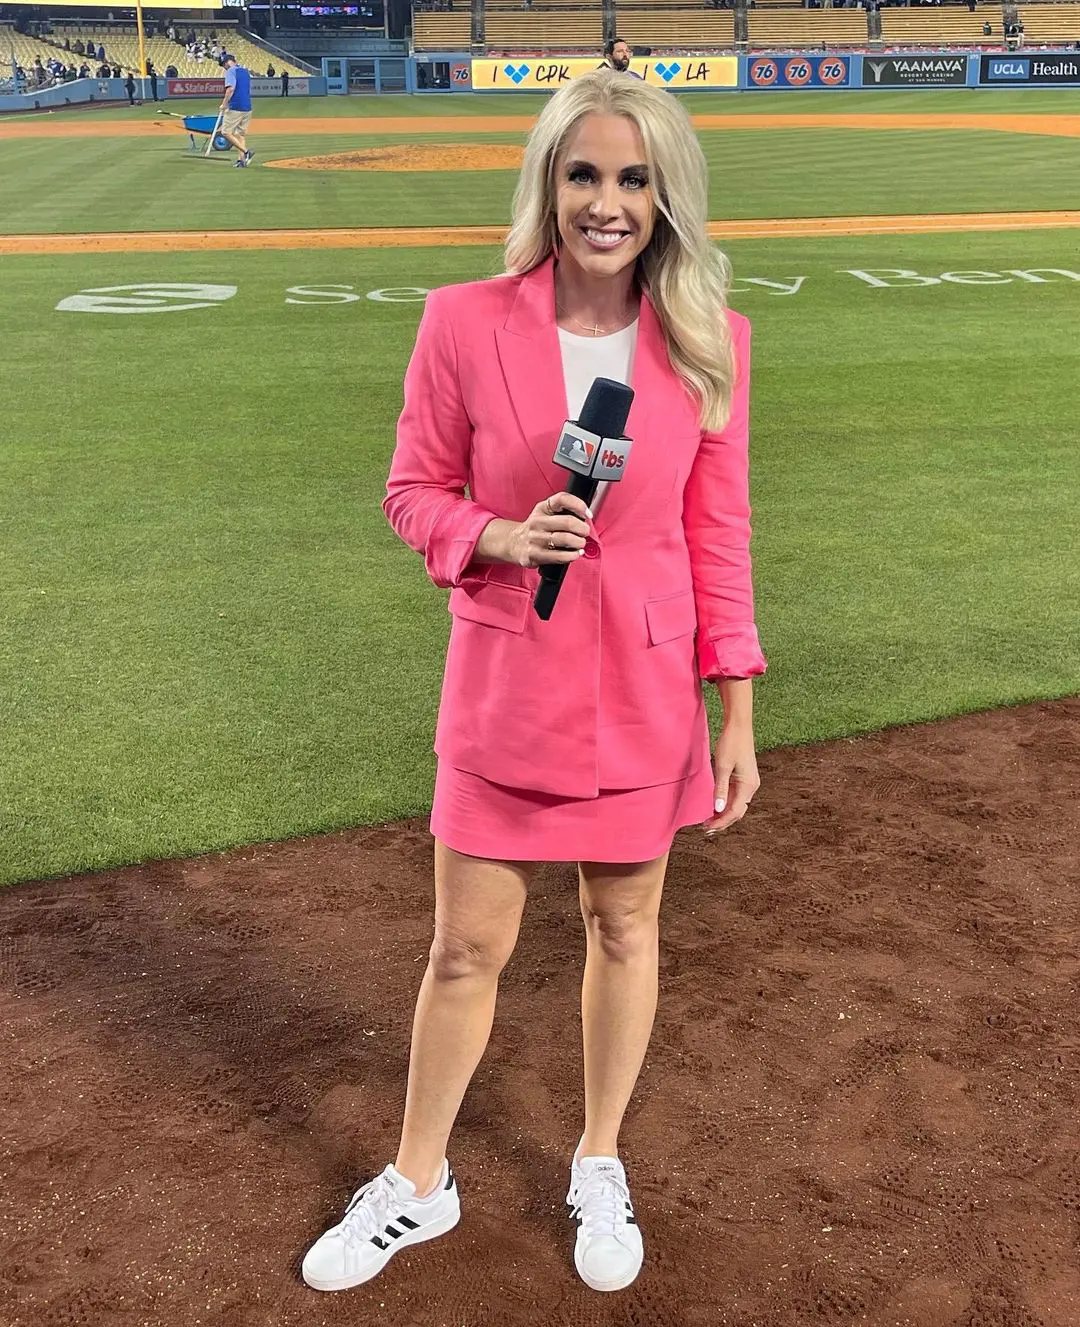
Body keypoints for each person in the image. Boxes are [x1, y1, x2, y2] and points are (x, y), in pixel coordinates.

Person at [301, 69, 765, 1298]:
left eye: (632, 178)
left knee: (625, 926)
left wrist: (740, 710)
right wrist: (497, 536)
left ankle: (599, 1157)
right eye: (583, 174)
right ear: (547, 182)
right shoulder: (463, 320)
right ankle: (416, 1180)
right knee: (464, 948)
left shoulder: (710, 341)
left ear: (667, 196)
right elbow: (411, 492)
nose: (605, 203)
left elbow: (720, 534)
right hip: (509, 677)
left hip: (649, 687)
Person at [219, 53, 254, 167]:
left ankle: (246, 152)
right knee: (240, 135)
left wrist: (224, 104)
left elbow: (230, 89)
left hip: (235, 107)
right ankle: (241, 161)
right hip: (247, 107)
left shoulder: (230, 72)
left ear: (228, 62)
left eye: (224, 64)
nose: (224, 67)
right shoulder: (245, 71)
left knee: (225, 132)